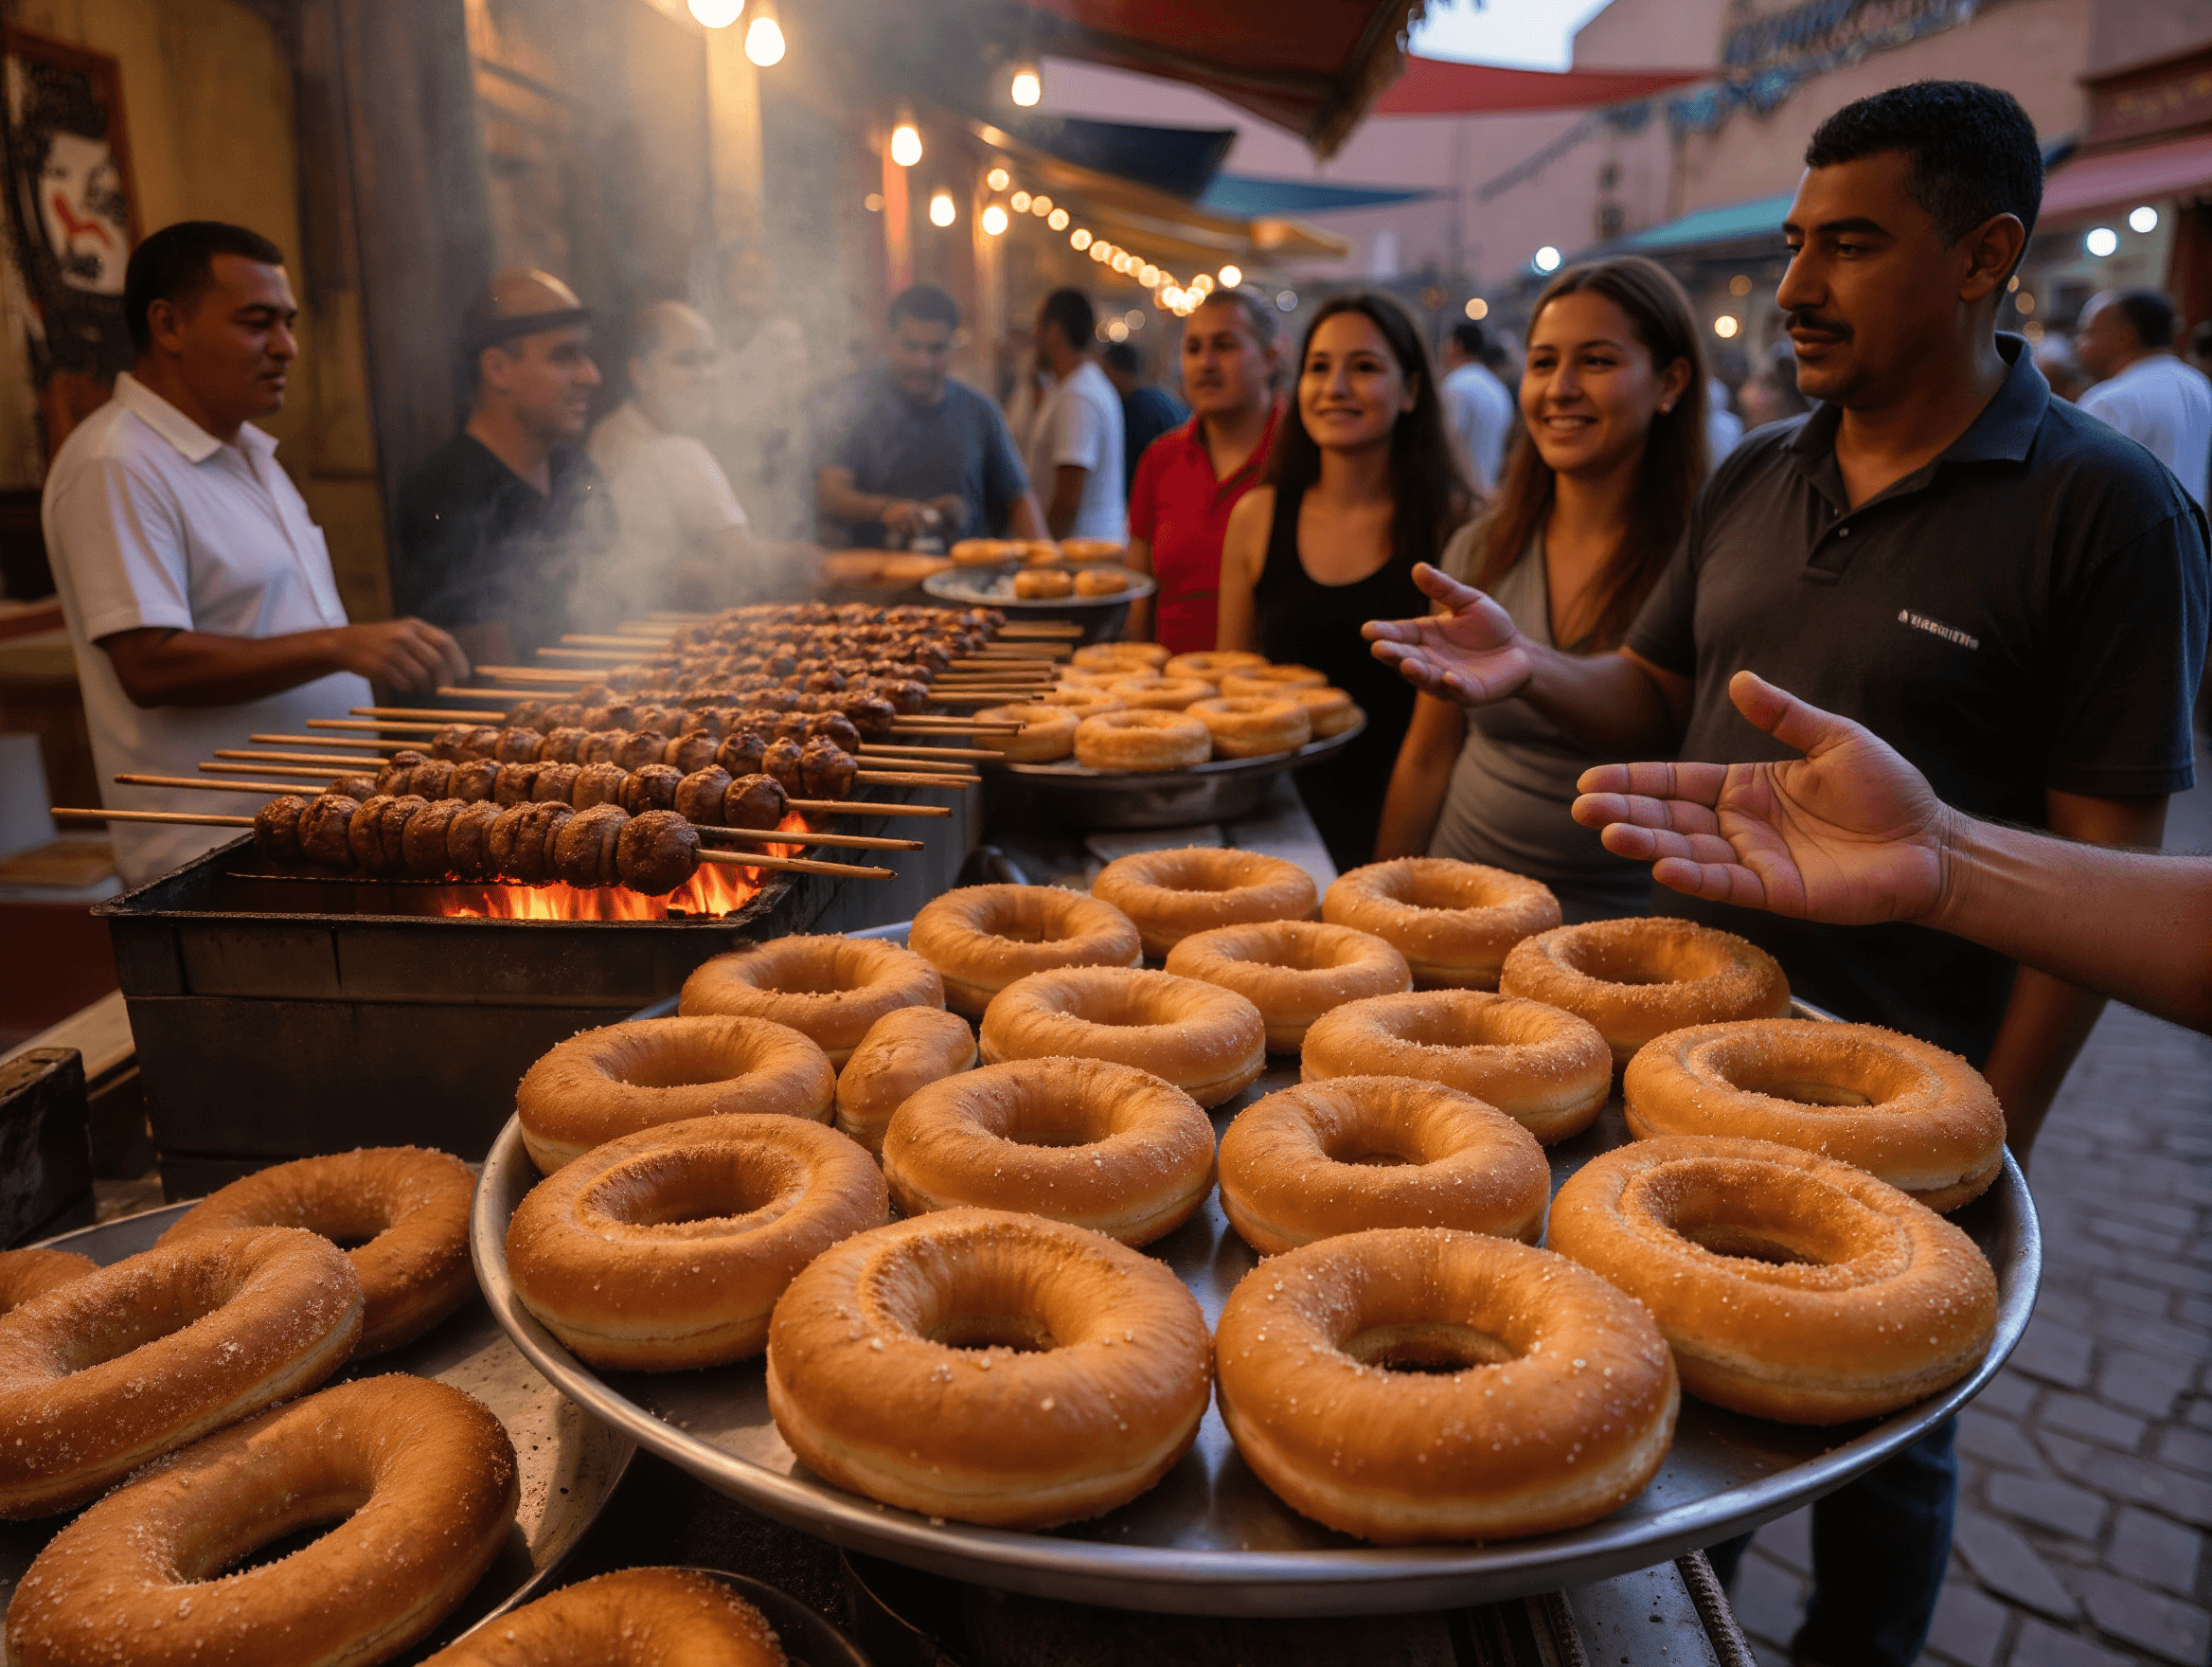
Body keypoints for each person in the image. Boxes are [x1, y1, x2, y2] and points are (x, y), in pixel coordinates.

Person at [1363, 82, 2208, 1667]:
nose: (1799, 285)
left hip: (1906, 1085)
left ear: (1984, 257)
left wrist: (1988, 1137)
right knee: (1702, 1414)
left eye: (1855, 244)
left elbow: (2109, 876)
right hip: (1684, 1059)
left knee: (1886, 1437)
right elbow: (1654, 691)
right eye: (1794, 243)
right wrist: (1532, 671)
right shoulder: (1760, 473)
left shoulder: (2106, 512)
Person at [41, 221, 467, 887]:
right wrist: (339, 646)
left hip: (317, 833)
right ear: (169, 325)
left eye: (289, 323)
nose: (287, 348)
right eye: (256, 323)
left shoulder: (250, 453)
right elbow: (147, 665)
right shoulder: (115, 462)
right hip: (217, 858)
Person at [1573, 669, 2212, 1036]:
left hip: (1922, 1024)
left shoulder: (2105, 499)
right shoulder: (1751, 471)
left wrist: (1942, 854)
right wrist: (1942, 853)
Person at [1376, 257, 1706, 921]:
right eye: (1542, 362)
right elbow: (1427, 758)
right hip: (1458, 907)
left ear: (1670, 382)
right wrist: (1381, 904)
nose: (1560, 388)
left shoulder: (1709, 558)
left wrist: (1527, 665)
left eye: (1597, 361)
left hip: (1618, 936)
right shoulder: (1482, 546)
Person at [1221, 292, 1472, 870]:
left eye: (1363, 368)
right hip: (1273, 830)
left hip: (1405, 832)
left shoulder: (1453, 527)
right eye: (1319, 368)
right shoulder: (1256, 517)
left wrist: (1379, 883)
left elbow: (1434, 752)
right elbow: (1230, 699)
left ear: (1410, 392)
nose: (1335, 388)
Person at [391, 270, 615, 666]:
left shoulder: (573, 469)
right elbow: (486, 668)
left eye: (587, 355)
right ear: (497, 369)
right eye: (564, 356)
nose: (591, 376)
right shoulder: (444, 491)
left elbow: (622, 590)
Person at [816, 284, 1043, 549]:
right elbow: (829, 492)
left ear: (953, 346)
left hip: (965, 579)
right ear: (890, 340)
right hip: (878, 579)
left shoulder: (980, 411)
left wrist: (1047, 561)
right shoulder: (857, 404)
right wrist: (884, 509)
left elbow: (1019, 500)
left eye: (936, 349)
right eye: (911, 347)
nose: (923, 362)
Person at [1125, 287, 1281, 653]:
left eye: (1225, 346)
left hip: (1272, 695)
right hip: (1170, 692)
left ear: (1270, 358)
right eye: (1193, 348)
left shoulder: (1300, 456)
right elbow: (1139, 593)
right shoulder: (1160, 458)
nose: (1206, 363)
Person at [588, 300, 765, 615]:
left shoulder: (609, 429)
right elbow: (744, 565)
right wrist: (807, 560)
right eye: (686, 361)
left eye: (710, 359)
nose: (706, 375)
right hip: (671, 634)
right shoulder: (680, 452)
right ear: (640, 373)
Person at [2076, 285, 2212, 506]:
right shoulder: (2197, 383)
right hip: (2190, 538)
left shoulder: (2109, 402)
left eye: (2089, 333)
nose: (2079, 343)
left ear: (2124, 338)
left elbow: (2080, 498)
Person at [1025, 289, 1126, 543]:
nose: (1034, 336)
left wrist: (1044, 549)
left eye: (1039, 327)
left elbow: (1068, 499)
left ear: (1054, 332)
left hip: (1083, 552)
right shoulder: (1071, 386)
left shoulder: (1078, 396)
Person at [1100, 339, 1187, 497]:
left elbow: (1132, 474)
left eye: (1104, 372)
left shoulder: (1134, 409)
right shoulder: (1159, 397)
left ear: (1116, 372)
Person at [1438, 320, 1513, 499]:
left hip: (1460, 497)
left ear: (1455, 346)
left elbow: (1448, 443)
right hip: (1488, 494)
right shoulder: (1498, 388)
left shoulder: (1455, 384)